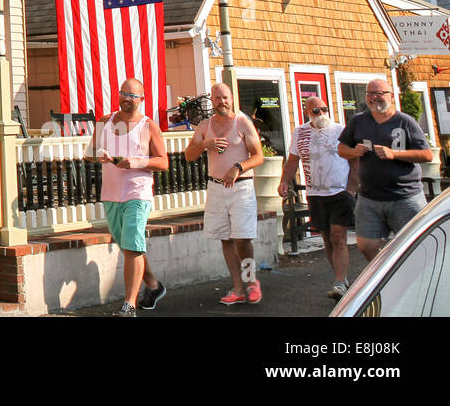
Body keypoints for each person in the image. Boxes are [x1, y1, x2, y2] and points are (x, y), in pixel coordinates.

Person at [185, 82, 266, 305]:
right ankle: (238, 288)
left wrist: (238, 167)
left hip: (241, 187)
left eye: (226, 97)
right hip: (216, 186)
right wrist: (205, 143)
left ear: (232, 98)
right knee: (225, 238)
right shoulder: (205, 125)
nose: (223, 102)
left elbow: (258, 156)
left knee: (242, 238)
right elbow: (189, 155)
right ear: (212, 101)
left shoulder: (242, 122)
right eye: (218, 98)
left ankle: (251, 282)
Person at [95, 77, 170, 317]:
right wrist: (99, 155)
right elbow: (90, 152)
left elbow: (163, 162)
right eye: (123, 94)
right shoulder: (104, 121)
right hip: (111, 194)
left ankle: (129, 305)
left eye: (132, 96)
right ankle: (154, 286)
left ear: (141, 99)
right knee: (129, 246)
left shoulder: (149, 126)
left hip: (137, 192)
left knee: (132, 245)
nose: (126, 99)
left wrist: (135, 162)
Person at [336, 78, 434, 262]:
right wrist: (353, 151)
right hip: (369, 197)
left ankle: (412, 282)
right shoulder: (358, 121)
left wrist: (395, 154)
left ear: (390, 95)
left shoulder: (405, 122)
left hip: (405, 196)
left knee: (415, 246)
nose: (374, 98)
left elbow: (427, 155)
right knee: (366, 245)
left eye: (379, 93)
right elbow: (341, 149)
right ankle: (389, 277)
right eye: (370, 94)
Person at [279, 96, 357, 298]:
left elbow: (355, 160)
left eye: (324, 109)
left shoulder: (341, 130)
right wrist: (284, 182)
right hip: (315, 193)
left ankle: (339, 282)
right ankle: (342, 278)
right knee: (328, 240)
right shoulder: (300, 132)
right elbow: (292, 161)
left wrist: (351, 188)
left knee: (338, 237)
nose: (321, 113)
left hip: (340, 192)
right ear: (307, 113)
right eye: (316, 111)